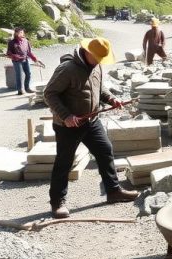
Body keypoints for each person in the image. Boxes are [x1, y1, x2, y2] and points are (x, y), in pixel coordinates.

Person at [43, 37, 138, 218]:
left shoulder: (96, 66)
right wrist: (66, 116)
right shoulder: (67, 69)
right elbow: (49, 93)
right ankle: (57, 203)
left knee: (105, 150)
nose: (100, 61)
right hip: (68, 125)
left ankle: (113, 191)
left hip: (91, 121)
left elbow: (98, 89)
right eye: (98, 57)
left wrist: (111, 99)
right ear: (87, 52)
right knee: (64, 162)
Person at [6, 28, 43, 95]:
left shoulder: (26, 41)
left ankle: (27, 88)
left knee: (28, 74)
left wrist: (35, 59)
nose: (21, 34)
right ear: (16, 33)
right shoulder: (11, 42)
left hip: (25, 59)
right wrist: (15, 56)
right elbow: (8, 53)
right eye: (20, 32)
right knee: (19, 75)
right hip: (17, 61)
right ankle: (20, 90)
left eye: (22, 32)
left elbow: (29, 52)